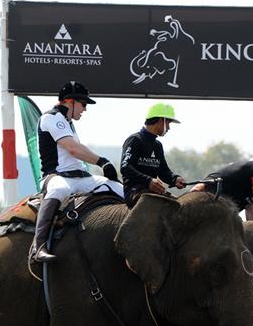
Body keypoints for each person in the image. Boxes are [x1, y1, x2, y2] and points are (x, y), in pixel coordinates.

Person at [31, 81, 124, 263]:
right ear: (70, 101)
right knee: (60, 190)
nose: (85, 109)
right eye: (83, 104)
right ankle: (38, 246)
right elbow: (73, 149)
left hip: (81, 178)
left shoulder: (67, 122)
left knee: (117, 187)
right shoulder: (51, 118)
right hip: (56, 177)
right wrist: (102, 162)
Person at [120, 102, 187, 208]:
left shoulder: (158, 145)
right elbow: (125, 167)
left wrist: (175, 179)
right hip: (134, 192)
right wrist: (148, 181)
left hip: (152, 192)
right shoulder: (135, 140)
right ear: (161, 120)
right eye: (168, 123)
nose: (169, 128)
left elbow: (163, 171)